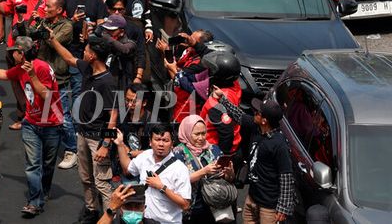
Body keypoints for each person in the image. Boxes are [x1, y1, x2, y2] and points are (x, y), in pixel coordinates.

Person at [0, 36, 65, 217]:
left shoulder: (41, 67)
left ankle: (43, 190)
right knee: (33, 165)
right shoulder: (21, 67)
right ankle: (34, 202)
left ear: (21, 54)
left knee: (47, 163)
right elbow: (5, 75)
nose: (11, 54)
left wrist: (32, 76)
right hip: (31, 123)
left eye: (14, 51)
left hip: (52, 123)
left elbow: (47, 96)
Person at [45, 31, 117, 223]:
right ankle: (92, 210)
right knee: (86, 178)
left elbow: (113, 116)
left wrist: (105, 145)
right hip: (83, 134)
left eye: (86, 50)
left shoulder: (108, 82)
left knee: (102, 182)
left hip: (97, 139)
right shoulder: (87, 68)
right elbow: (68, 58)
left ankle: (108, 217)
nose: (83, 52)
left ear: (93, 55)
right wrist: (53, 40)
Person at [208, 93, 295, 224]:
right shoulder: (257, 127)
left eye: (258, 113)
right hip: (252, 198)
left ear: (264, 120)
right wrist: (223, 99)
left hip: (269, 206)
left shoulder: (279, 144)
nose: (254, 113)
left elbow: (286, 176)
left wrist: (283, 208)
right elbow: (239, 115)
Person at [114, 124, 192, 224]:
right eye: (157, 139)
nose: (161, 144)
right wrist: (120, 144)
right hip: (144, 220)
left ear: (172, 144)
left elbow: (185, 205)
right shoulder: (145, 156)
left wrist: (162, 187)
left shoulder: (180, 168)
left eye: (165, 140)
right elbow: (128, 169)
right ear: (150, 142)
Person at [177, 115, 235, 224]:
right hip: (191, 208)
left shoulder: (213, 149)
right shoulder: (178, 153)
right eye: (196, 134)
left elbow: (227, 179)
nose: (201, 138)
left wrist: (229, 174)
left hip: (214, 206)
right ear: (187, 133)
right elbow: (179, 180)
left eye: (203, 133)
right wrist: (204, 171)